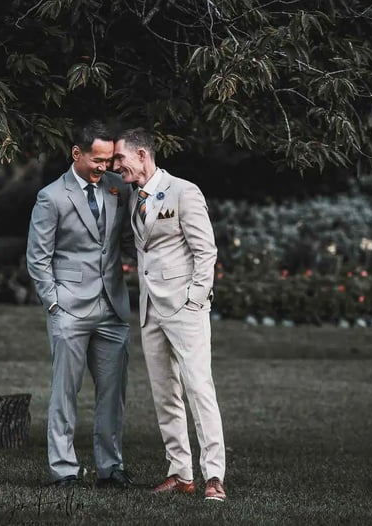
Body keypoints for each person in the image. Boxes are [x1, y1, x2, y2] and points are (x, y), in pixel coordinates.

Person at [112, 127, 227, 502]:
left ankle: (214, 476)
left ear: (142, 154)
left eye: (120, 159)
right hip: (150, 312)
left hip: (185, 308)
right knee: (165, 395)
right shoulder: (133, 198)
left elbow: (205, 251)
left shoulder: (183, 191)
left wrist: (195, 300)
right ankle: (180, 473)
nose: (116, 165)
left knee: (199, 389)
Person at [26, 119, 134, 488]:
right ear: (77, 153)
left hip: (113, 309)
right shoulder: (51, 197)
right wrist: (54, 305)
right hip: (69, 309)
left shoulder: (119, 188)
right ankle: (64, 470)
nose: (105, 167)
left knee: (112, 395)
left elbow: (129, 238)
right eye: (98, 160)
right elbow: (37, 258)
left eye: (109, 160)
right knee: (65, 394)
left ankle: (110, 468)